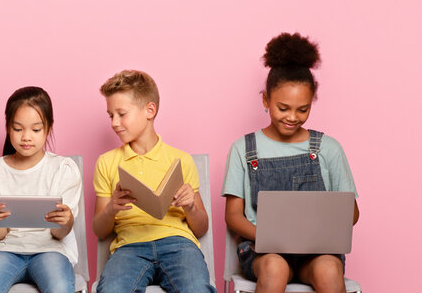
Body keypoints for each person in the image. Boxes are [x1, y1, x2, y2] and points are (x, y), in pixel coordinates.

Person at [222, 32, 359, 293]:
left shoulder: (328, 149)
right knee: (275, 268)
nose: (292, 117)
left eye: (302, 109)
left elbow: (351, 213)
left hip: (316, 252)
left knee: (329, 269)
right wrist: (270, 237)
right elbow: (233, 216)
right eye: (283, 108)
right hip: (264, 252)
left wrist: (327, 226)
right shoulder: (243, 149)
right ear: (266, 100)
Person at [93, 70, 215, 293]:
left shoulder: (181, 160)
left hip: (179, 244)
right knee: (112, 289)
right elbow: (100, 231)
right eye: (111, 115)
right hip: (129, 247)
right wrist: (111, 208)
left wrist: (190, 207)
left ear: (150, 110)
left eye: (122, 114)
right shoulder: (107, 162)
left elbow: (201, 228)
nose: (114, 123)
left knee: (196, 288)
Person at [0, 86, 82, 293]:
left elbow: (59, 234)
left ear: (48, 128)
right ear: (8, 128)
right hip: (5, 250)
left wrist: (66, 222)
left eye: (36, 129)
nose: (26, 137)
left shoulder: (63, 169)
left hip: (50, 250)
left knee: (59, 287)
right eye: (18, 129)